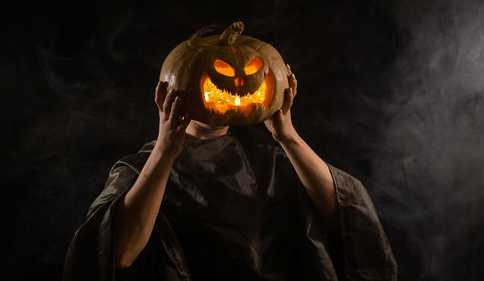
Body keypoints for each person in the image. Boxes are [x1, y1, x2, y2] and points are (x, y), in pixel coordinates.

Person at [63, 65, 398, 280]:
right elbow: (117, 254)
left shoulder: (271, 160)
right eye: (219, 65)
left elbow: (347, 216)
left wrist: (287, 135)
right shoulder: (139, 168)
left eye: (248, 67)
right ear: (168, 92)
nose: (237, 80)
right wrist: (167, 149)